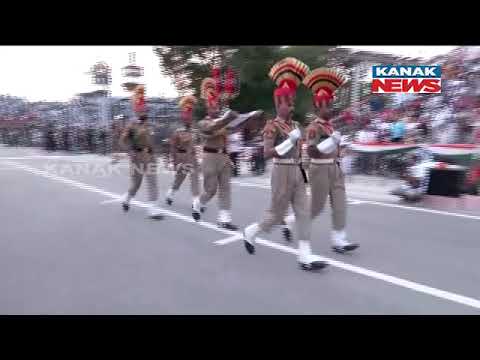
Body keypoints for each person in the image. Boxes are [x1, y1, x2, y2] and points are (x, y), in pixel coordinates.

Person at [243, 57, 327, 271]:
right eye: (287, 102)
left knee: (303, 212)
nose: (291, 105)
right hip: (281, 171)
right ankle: (252, 231)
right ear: (278, 104)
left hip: (297, 171)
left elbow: (302, 150)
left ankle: (305, 256)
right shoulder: (272, 126)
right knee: (276, 215)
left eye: (292, 101)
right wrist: (289, 140)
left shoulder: (297, 124)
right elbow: (267, 153)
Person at [283, 67, 359, 254]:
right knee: (316, 208)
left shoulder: (332, 126)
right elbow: (312, 151)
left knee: (340, 204)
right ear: (317, 107)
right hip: (319, 169)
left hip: (335, 168)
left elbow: (336, 147)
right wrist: (331, 143)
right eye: (325, 105)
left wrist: (340, 145)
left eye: (330, 105)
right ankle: (292, 221)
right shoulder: (313, 128)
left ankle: (339, 240)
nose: (329, 108)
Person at [191, 76, 241, 230]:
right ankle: (198, 203)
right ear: (208, 108)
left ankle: (224, 219)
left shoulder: (222, 120)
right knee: (211, 190)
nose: (215, 109)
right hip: (210, 157)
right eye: (212, 107)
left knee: (226, 188)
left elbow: (232, 129)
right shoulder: (203, 123)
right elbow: (212, 129)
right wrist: (226, 121)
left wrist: (247, 119)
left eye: (217, 107)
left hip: (224, 156)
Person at [120, 85, 163, 220]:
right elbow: (123, 140)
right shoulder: (131, 125)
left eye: (144, 107)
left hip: (149, 156)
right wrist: (130, 150)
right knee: (136, 184)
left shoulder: (150, 124)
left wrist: (156, 153)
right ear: (136, 110)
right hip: (137, 157)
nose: (143, 110)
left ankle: (152, 210)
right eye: (140, 108)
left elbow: (152, 140)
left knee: (152, 181)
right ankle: (126, 198)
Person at [165, 95, 201, 209]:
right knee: (179, 179)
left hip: (192, 157)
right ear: (183, 117)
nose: (188, 118)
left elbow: (198, 143)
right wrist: (173, 162)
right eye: (186, 116)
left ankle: (196, 201)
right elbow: (173, 147)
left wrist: (199, 156)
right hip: (181, 157)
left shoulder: (195, 130)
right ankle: (170, 194)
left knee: (195, 178)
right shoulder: (178, 131)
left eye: (190, 116)